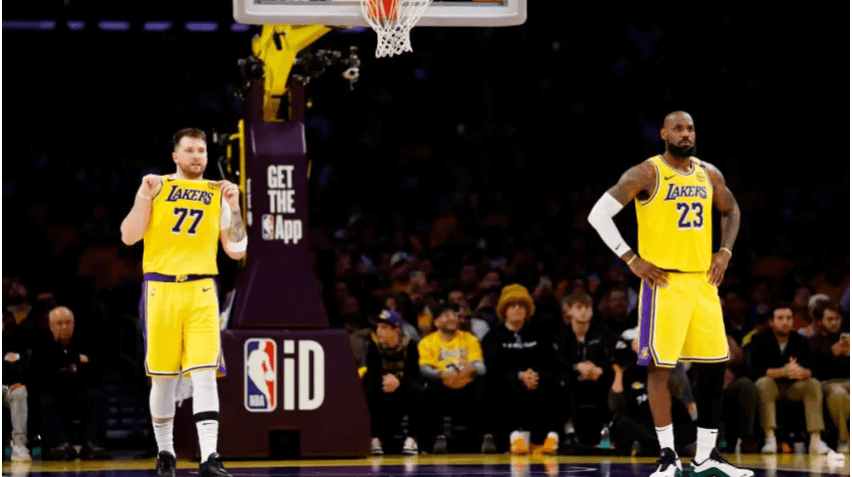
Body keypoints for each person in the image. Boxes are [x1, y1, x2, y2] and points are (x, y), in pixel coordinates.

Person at [587, 111, 752, 477]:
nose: (686, 133)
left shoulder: (709, 173)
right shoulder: (646, 173)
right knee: (660, 367)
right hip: (664, 284)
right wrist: (631, 258)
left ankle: (707, 456)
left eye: (691, 127)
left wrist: (724, 251)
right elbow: (598, 214)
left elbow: (732, 209)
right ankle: (667, 456)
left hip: (703, 282)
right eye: (678, 128)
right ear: (663, 133)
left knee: (714, 366)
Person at [120, 128, 247, 477]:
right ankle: (165, 453)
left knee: (205, 374)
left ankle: (210, 456)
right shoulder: (156, 185)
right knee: (163, 379)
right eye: (189, 150)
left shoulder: (218, 192)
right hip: (161, 289)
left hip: (201, 290)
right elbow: (128, 236)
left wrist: (235, 207)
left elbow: (236, 250)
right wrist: (143, 198)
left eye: (202, 151)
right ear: (175, 156)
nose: (196, 156)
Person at [481, 284, 560, 455]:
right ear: (504, 310)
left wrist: (535, 375)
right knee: (500, 385)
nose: (517, 309)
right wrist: (519, 376)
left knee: (555, 382)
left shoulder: (539, 333)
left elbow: (551, 363)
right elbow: (493, 368)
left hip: (536, 380)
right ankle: (514, 436)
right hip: (506, 383)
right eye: (512, 305)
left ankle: (550, 436)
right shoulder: (493, 336)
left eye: (521, 305)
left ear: (528, 309)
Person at [747, 304, 829, 454]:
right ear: (771, 322)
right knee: (763, 383)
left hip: (793, 387)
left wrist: (803, 372)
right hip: (771, 387)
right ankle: (770, 438)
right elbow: (753, 371)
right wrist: (784, 371)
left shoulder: (801, 340)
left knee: (813, 384)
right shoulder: (759, 339)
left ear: (793, 321)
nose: (785, 322)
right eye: (780, 318)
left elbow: (813, 367)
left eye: (788, 318)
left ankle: (816, 440)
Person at [30, 306, 108, 460]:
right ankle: (59, 445)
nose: (64, 326)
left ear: (73, 324)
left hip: (79, 390)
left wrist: (64, 367)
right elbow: (40, 375)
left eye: (67, 322)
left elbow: (96, 369)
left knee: (98, 396)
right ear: (51, 326)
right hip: (54, 393)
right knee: (44, 400)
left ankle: (93, 444)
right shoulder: (40, 343)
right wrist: (74, 363)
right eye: (59, 323)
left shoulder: (86, 340)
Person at [418, 302, 491, 454]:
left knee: (483, 383)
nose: (451, 318)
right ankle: (437, 438)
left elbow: (481, 368)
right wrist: (442, 374)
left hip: (466, 384)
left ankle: (483, 439)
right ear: (436, 322)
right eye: (446, 315)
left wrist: (472, 368)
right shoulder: (427, 342)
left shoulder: (470, 339)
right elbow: (424, 369)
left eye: (454, 315)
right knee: (430, 386)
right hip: (442, 386)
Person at [361, 310, 422, 456]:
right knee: (368, 388)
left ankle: (411, 439)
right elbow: (370, 375)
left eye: (384, 327)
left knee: (417, 389)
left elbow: (415, 374)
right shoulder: (373, 347)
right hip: (381, 388)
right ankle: (374, 438)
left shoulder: (410, 346)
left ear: (396, 330)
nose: (378, 331)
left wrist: (398, 382)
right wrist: (385, 380)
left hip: (403, 389)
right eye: (378, 327)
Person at [808, 301, 849, 453]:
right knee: (838, 394)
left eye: (836, 319)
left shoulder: (847, 340)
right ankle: (844, 439)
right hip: (828, 384)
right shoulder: (814, 342)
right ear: (820, 321)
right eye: (829, 319)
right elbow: (813, 371)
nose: (834, 323)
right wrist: (832, 354)